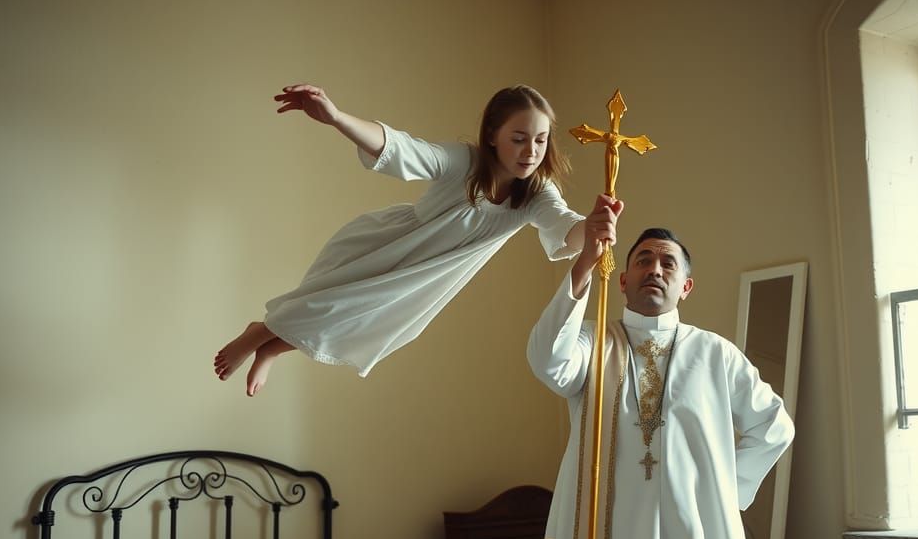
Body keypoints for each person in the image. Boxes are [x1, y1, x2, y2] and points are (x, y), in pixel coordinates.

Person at [525, 216, 794, 539]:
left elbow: (775, 426)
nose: (655, 268)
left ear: (686, 285)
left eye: (668, 263)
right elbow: (547, 361)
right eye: (643, 259)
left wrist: (723, 495)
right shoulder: (591, 342)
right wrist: (586, 260)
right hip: (604, 534)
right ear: (622, 279)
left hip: (689, 534)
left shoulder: (716, 354)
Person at [214, 83, 620, 395]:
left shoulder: (536, 192)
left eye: (540, 140)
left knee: (352, 326)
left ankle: (270, 346)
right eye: (519, 138)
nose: (530, 151)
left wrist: (595, 224)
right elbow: (403, 148)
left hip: (427, 279)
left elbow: (565, 227)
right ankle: (258, 334)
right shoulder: (465, 163)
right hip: (393, 247)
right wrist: (337, 117)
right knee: (328, 306)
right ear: (494, 135)